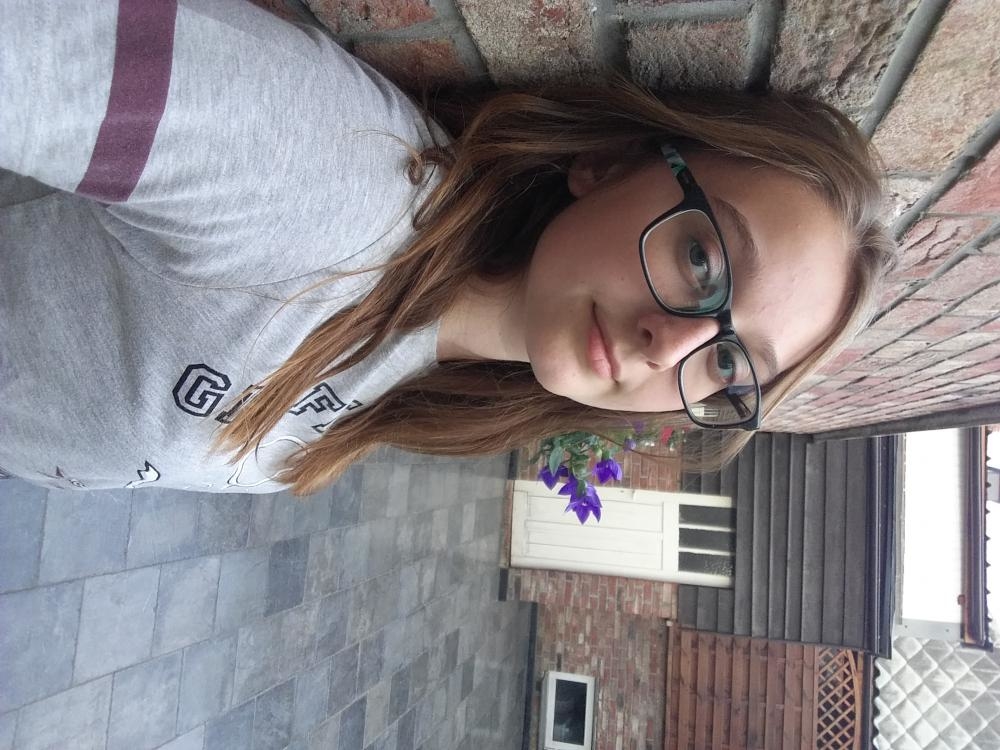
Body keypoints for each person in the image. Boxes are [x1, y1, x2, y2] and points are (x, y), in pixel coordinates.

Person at [0, 0, 895, 495]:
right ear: (613, 162)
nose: (674, 345)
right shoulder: (329, 172)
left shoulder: (439, 386)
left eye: (731, 366)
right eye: (703, 261)